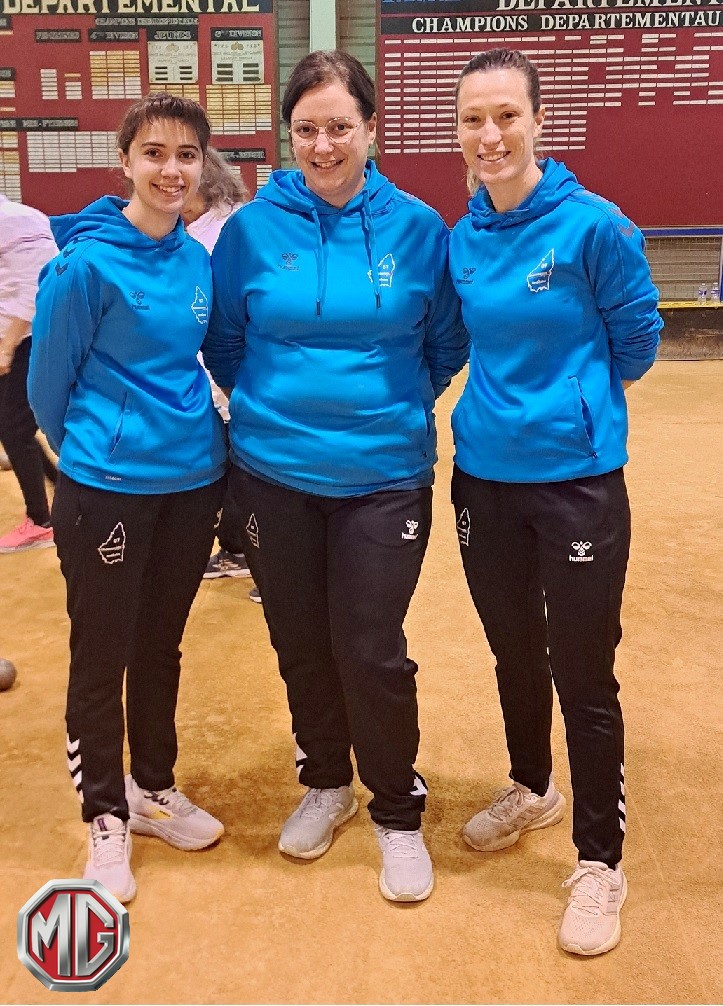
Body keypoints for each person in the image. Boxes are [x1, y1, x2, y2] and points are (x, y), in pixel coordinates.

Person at [204, 50, 468, 902]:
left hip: (383, 475)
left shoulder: (419, 228)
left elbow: (444, 344)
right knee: (299, 640)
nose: (323, 145)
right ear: (290, 134)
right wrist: (276, 410)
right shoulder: (251, 229)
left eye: (339, 127)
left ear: (370, 128)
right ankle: (326, 782)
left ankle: (396, 808)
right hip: (271, 472)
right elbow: (225, 341)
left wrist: (385, 407)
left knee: (370, 647)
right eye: (306, 129)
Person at [450, 48, 663, 955]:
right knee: (512, 649)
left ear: (538, 121)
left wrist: (571, 412)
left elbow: (637, 339)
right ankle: (532, 787)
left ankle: (598, 859)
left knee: (582, 669)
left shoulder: (595, 227)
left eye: (505, 115)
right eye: (472, 119)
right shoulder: (461, 239)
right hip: (480, 477)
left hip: (575, 484)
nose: (489, 135)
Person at [28, 93, 228, 903]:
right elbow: (47, 388)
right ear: (126, 162)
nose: (170, 170)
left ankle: (152, 787)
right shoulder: (83, 265)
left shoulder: (196, 262)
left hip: (191, 483)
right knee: (101, 652)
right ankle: (105, 814)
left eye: (185, 155)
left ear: (200, 165)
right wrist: (98, 450)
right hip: (106, 490)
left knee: (160, 646)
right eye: (154, 153)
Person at [179, 147, 255, 588]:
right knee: (230, 474)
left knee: (249, 475)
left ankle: (255, 557)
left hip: (237, 379)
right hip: (207, 383)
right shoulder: (183, 229)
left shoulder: (232, 228)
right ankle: (235, 549)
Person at [0, 196, 58, 553]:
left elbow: (34, 290)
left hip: (29, 341)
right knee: (13, 426)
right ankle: (61, 487)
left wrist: (7, 347)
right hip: (13, 340)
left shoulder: (17, 220)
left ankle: (41, 522)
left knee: (14, 428)